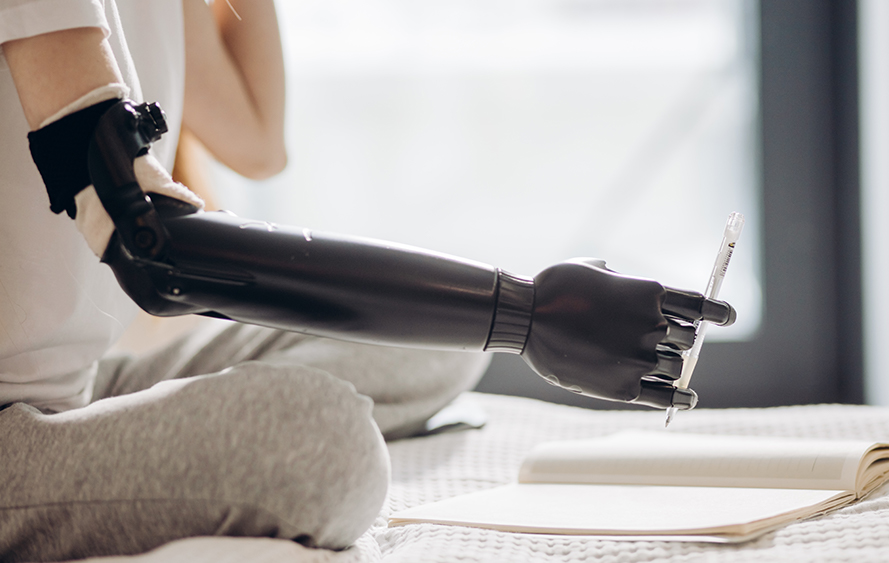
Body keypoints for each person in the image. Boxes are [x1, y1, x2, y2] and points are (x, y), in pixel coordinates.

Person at [0, 1, 733, 561]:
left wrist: (503, 315)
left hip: (67, 378)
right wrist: (526, 314)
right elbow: (152, 243)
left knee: (438, 346)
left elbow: (258, 141)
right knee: (318, 442)